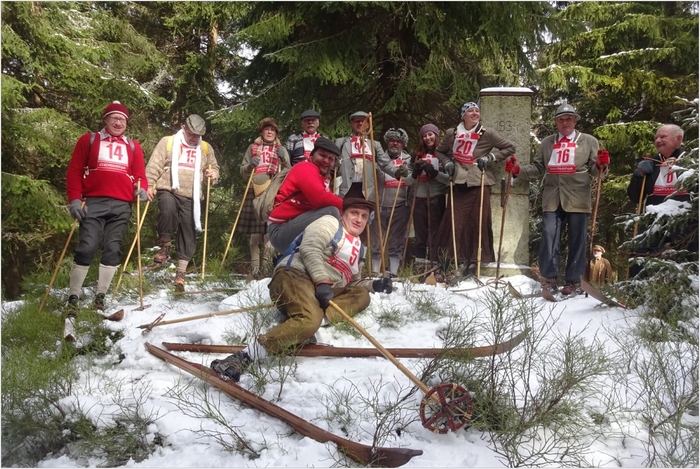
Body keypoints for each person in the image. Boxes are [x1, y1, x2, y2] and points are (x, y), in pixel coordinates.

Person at [211, 198, 393, 382]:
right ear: (342, 214)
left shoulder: (359, 248)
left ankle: (306, 325)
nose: (359, 219)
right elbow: (309, 249)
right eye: (354, 213)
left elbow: (352, 283)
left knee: (361, 295)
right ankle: (243, 357)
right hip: (295, 275)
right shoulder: (330, 223)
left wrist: (374, 285)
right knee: (309, 319)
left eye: (364, 216)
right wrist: (322, 281)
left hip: (319, 291)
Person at [509, 103, 609, 295]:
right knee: (549, 234)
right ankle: (550, 279)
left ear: (575, 121)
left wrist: (601, 164)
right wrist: (518, 171)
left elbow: (596, 172)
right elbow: (538, 167)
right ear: (556, 122)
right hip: (552, 197)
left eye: (569, 119)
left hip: (578, 197)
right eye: (561, 119)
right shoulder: (548, 142)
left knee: (577, 239)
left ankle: (573, 281)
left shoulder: (588, 141)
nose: (565, 123)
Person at [65, 101, 149, 311]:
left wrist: (142, 189)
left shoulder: (133, 146)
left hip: (122, 205)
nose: (118, 123)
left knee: (113, 249)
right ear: (106, 120)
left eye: (122, 119)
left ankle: (100, 297)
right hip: (93, 202)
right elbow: (75, 170)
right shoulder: (89, 140)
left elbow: (140, 175)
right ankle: (73, 295)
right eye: (114, 118)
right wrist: (75, 199)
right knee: (87, 246)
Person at [432, 101, 516, 272]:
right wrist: (447, 163)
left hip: (478, 181)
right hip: (458, 182)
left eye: (477, 110)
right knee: (454, 221)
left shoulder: (487, 133)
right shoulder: (452, 133)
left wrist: (490, 157)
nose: (475, 113)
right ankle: (450, 258)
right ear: (463, 115)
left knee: (477, 221)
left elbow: (510, 147)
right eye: (470, 111)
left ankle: (473, 260)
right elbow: (439, 151)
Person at [145, 114, 219, 289]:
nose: (194, 137)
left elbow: (214, 167)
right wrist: (149, 184)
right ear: (183, 128)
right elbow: (155, 164)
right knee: (167, 210)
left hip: (191, 194)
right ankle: (165, 247)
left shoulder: (205, 148)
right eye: (191, 133)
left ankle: (181, 273)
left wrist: (213, 175)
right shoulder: (168, 142)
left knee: (188, 229)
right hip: (168, 187)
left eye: (198, 135)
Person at [626, 124, 695, 277]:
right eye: (656, 137)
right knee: (639, 252)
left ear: (678, 139)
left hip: (685, 221)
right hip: (653, 220)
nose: (658, 140)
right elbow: (635, 197)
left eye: (663, 137)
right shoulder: (650, 162)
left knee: (690, 256)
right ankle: (637, 287)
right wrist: (638, 175)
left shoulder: (691, 162)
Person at [267, 137, 344, 253]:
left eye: (331, 159)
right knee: (331, 211)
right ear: (312, 155)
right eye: (322, 155)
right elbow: (319, 198)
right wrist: (348, 205)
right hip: (280, 230)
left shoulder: (321, 177)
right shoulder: (305, 168)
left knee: (340, 215)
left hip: (292, 225)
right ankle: (333, 250)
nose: (326, 161)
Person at [238, 118, 290, 278]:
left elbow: (289, 170)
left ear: (276, 133)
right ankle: (254, 270)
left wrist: (284, 158)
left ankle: (266, 269)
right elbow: (242, 170)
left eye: (272, 130)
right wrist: (249, 166)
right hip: (254, 191)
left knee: (269, 232)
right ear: (261, 132)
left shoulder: (281, 149)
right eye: (267, 129)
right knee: (255, 233)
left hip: (273, 193)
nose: (269, 132)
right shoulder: (253, 148)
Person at [369, 128, 416, 276]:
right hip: (380, 205)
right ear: (387, 142)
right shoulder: (380, 159)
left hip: (400, 206)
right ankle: (375, 271)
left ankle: (394, 272)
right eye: (392, 140)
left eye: (398, 141)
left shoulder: (409, 160)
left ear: (403, 144)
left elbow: (411, 181)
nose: (395, 143)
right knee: (376, 240)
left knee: (396, 241)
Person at [335, 111, 403, 200]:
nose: (360, 123)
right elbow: (333, 162)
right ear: (351, 123)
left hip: (367, 191)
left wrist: (396, 172)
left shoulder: (374, 144)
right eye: (357, 121)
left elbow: (384, 163)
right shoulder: (341, 142)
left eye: (363, 121)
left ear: (368, 124)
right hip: (345, 190)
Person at [410, 124, 450, 267]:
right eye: (424, 135)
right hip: (419, 196)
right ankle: (420, 263)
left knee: (436, 231)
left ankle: (435, 263)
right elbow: (407, 179)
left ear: (436, 135)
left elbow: (449, 179)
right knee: (420, 232)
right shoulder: (416, 154)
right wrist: (415, 172)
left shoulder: (444, 154)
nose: (427, 138)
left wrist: (434, 172)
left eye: (430, 134)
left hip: (436, 196)